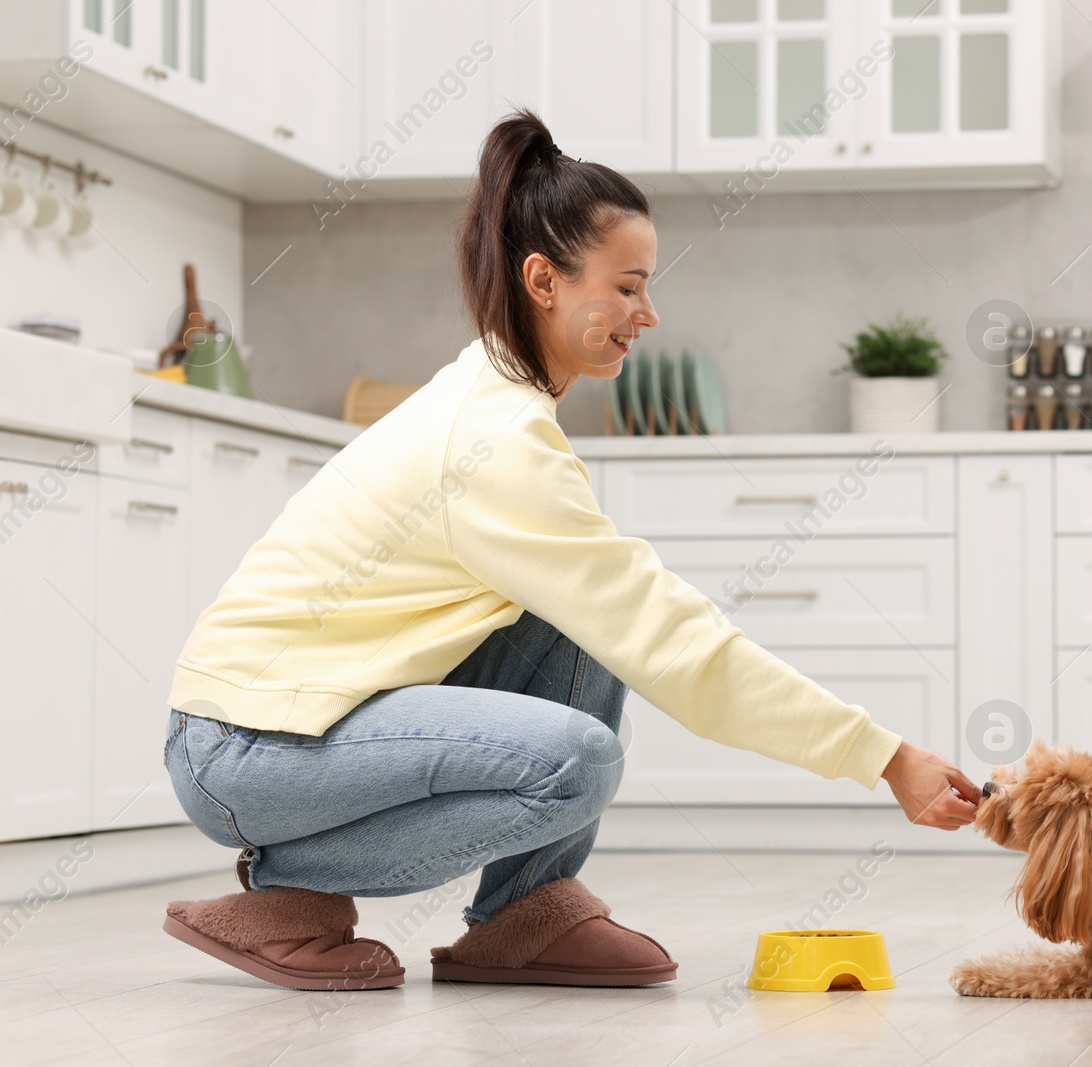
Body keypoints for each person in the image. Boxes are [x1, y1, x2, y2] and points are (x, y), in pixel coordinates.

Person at [159, 110, 980, 992]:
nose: (649, 312)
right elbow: (676, 642)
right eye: (628, 287)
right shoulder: (496, 439)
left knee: (585, 625)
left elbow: (632, 622)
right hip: (243, 747)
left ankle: (523, 914)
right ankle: (289, 899)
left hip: (303, 719)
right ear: (544, 279)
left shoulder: (497, 389)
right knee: (572, 760)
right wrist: (883, 756)